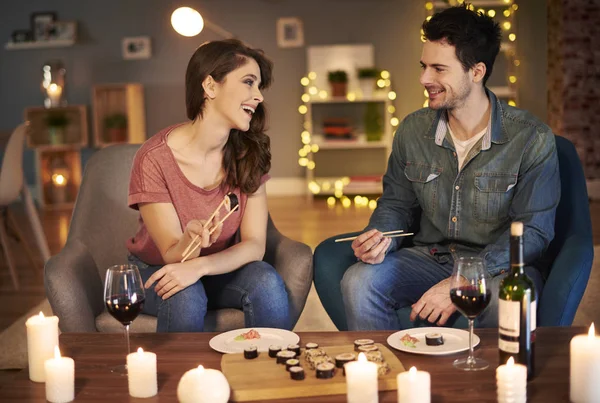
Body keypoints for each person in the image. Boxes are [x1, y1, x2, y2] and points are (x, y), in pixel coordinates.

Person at [326, 5, 560, 330]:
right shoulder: (411, 130)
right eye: (424, 66)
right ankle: (386, 376)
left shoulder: (531, 138)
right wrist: (382, 237)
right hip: (430, 257)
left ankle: (485, 380)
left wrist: (461, 279)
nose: (424, 79)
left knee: (507, 299)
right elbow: (396, 204)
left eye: (439, 69)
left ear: (476, 72)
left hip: (498, 267)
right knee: (359, 281)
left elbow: (533, 233)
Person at [126, 39, 291, 332]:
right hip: (156, 269)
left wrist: (202, 265)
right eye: (249, 83)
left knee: (265, 280)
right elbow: (172, 255)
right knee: (184, 295)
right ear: (210, 87)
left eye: (259, 86)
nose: (259, 97)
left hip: (217, 268)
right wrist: (189, 240)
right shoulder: (154, 159)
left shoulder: (249, 153)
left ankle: (270, 371)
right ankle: (187, 378)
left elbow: (254, 245)